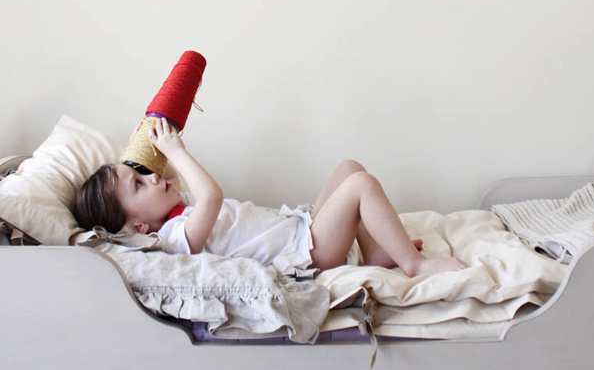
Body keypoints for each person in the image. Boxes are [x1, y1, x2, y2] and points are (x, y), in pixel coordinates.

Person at [74, 117, 467, 277]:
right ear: (139, 226)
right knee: (362, 187)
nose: (151, 176)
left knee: (350, 168)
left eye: (143, 173)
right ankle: (415, 265)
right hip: (309, 253)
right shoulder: (174, 238)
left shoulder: (179, 209)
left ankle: (379, 252)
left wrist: (155, 155)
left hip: (301, 227)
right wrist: (177, 152)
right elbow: (212, 196)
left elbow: (182, 182)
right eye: (138, 184)